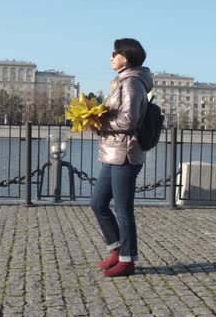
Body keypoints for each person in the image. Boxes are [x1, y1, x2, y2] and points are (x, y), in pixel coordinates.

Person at [91, 38, 153, 277]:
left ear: (124, 58)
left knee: (123, 208)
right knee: (97, 203)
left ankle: (127, 261)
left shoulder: (132, 83)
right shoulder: (123, 82)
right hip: (113, 151)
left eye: (114, 53)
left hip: (126, 153)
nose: (110, 57)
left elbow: (129, 120)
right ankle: (117, 249)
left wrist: (100, 123)